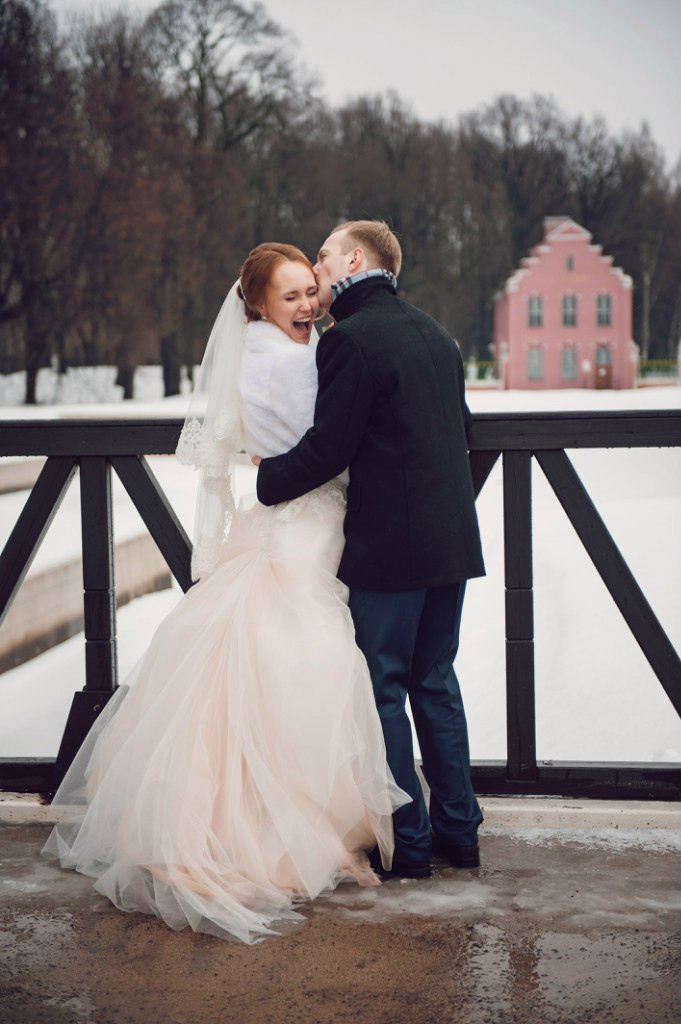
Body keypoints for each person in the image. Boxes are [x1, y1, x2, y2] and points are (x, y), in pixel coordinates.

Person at [42, 242, 409, 944]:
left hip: (275, 517)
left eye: (311, 290)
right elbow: (336, 434)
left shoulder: (260, 355)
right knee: (308, 660)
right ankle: (282, 828)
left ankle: (246, 813)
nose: (309, 304)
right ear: (257, 306)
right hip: (306, 517)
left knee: (260, 657)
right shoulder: (302, 359)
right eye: (292, 296)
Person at [255, 221, 485, 879]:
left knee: (382, 688)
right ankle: (460, 835)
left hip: (390, 547)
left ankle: (409, 846)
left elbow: (331, 448)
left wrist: (266, 476)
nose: (317, 269)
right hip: (451, 541)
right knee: (435, 683)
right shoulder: (436, 335)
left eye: (324, 257)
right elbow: (458, 433)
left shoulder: (349, 341)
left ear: (356, 259)